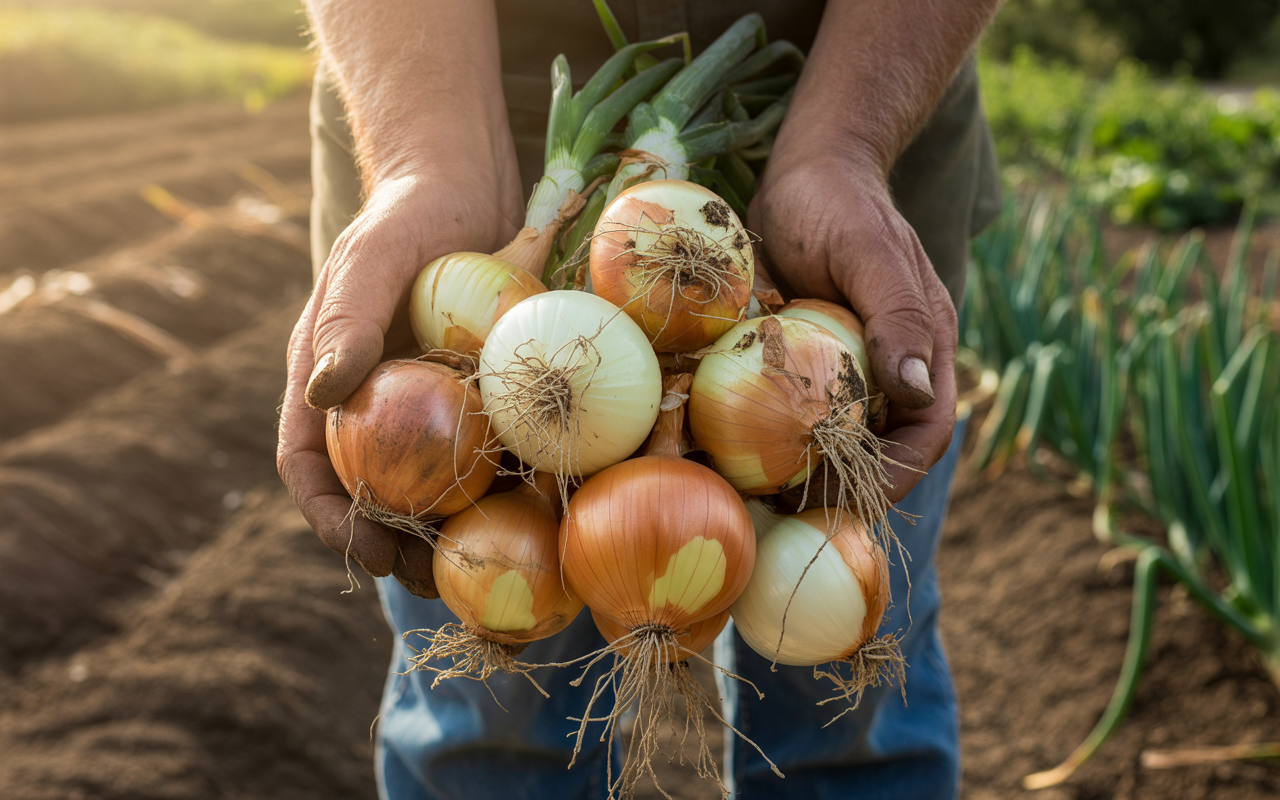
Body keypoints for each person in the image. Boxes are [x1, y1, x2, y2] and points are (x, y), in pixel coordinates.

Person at [277, 2, 1003, 798]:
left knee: (850, 720)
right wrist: (426, 158)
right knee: (488, 727)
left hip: (865, 124)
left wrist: (845, 146)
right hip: (448, 114)